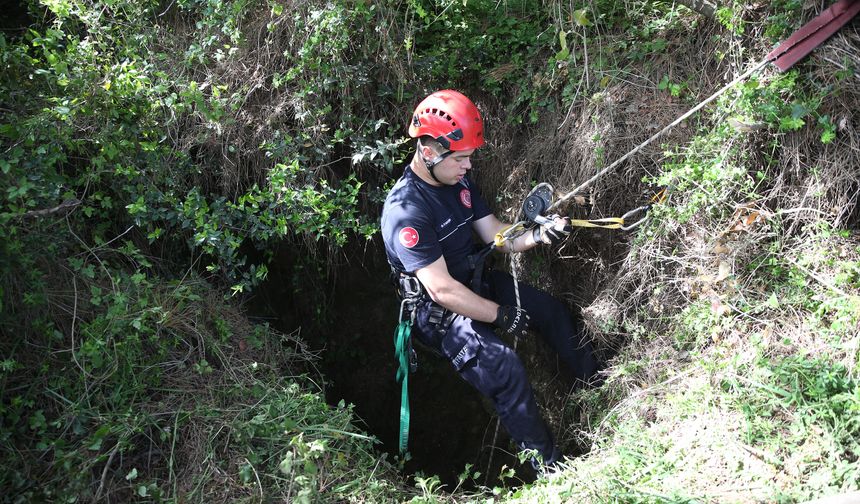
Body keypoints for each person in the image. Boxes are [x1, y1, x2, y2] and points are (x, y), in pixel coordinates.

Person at [380, 89, 599, 469]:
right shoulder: (406, 214)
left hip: (475, 282)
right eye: (461, 159)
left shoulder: (457, 182)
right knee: (505, 368)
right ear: (429, 152)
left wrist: (536, 236)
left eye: (469, 158)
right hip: (440, 314)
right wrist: (498, 315)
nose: (468, 167)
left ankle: (600, 390)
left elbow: (494, 232)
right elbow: (441, 289)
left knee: (552, 312)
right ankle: (550, 469)